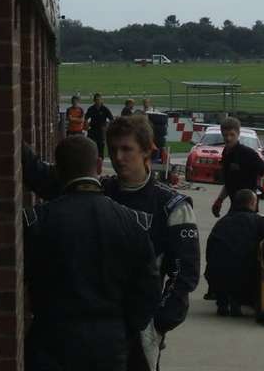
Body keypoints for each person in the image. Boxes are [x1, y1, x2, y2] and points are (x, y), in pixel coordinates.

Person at [22, 115, 200, 371]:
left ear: (147, 151)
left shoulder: (171, 205)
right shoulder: (98, 189)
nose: (118, 157)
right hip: (91, 331)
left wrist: (160, 324)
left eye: (127, 149)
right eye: (113, 149)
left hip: (141, 330)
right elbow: (41, 175)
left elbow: (184, 274)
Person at [204, 188, 264, 317]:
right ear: (251, 204)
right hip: (242, 273)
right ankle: (236, 302)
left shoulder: (222, 222)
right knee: (251, 264)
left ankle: (223, 302)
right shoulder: (257, 220)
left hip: (215, 273)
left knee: (226, 262)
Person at [211, 117, 264, 218]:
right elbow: (230, 182)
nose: (228, 138)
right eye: (225, 135)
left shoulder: (247, 153)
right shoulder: (226, 154)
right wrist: (219, 200)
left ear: (238, 133)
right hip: (235, 204)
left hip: (248, 206)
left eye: (232, 134)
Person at [85, 92, 114, 158]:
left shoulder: (104, 109)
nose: (97, 101)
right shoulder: (91, 109)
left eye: (99, 99)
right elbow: (86, 118)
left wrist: (107, 124)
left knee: (100, 145)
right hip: (92, 129)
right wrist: (86, 127)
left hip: (101, 129)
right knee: (89, 144)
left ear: (101, 100)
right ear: (94, 100)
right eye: (96, 100)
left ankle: (100, 159)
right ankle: (90, 157)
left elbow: (111, 119)